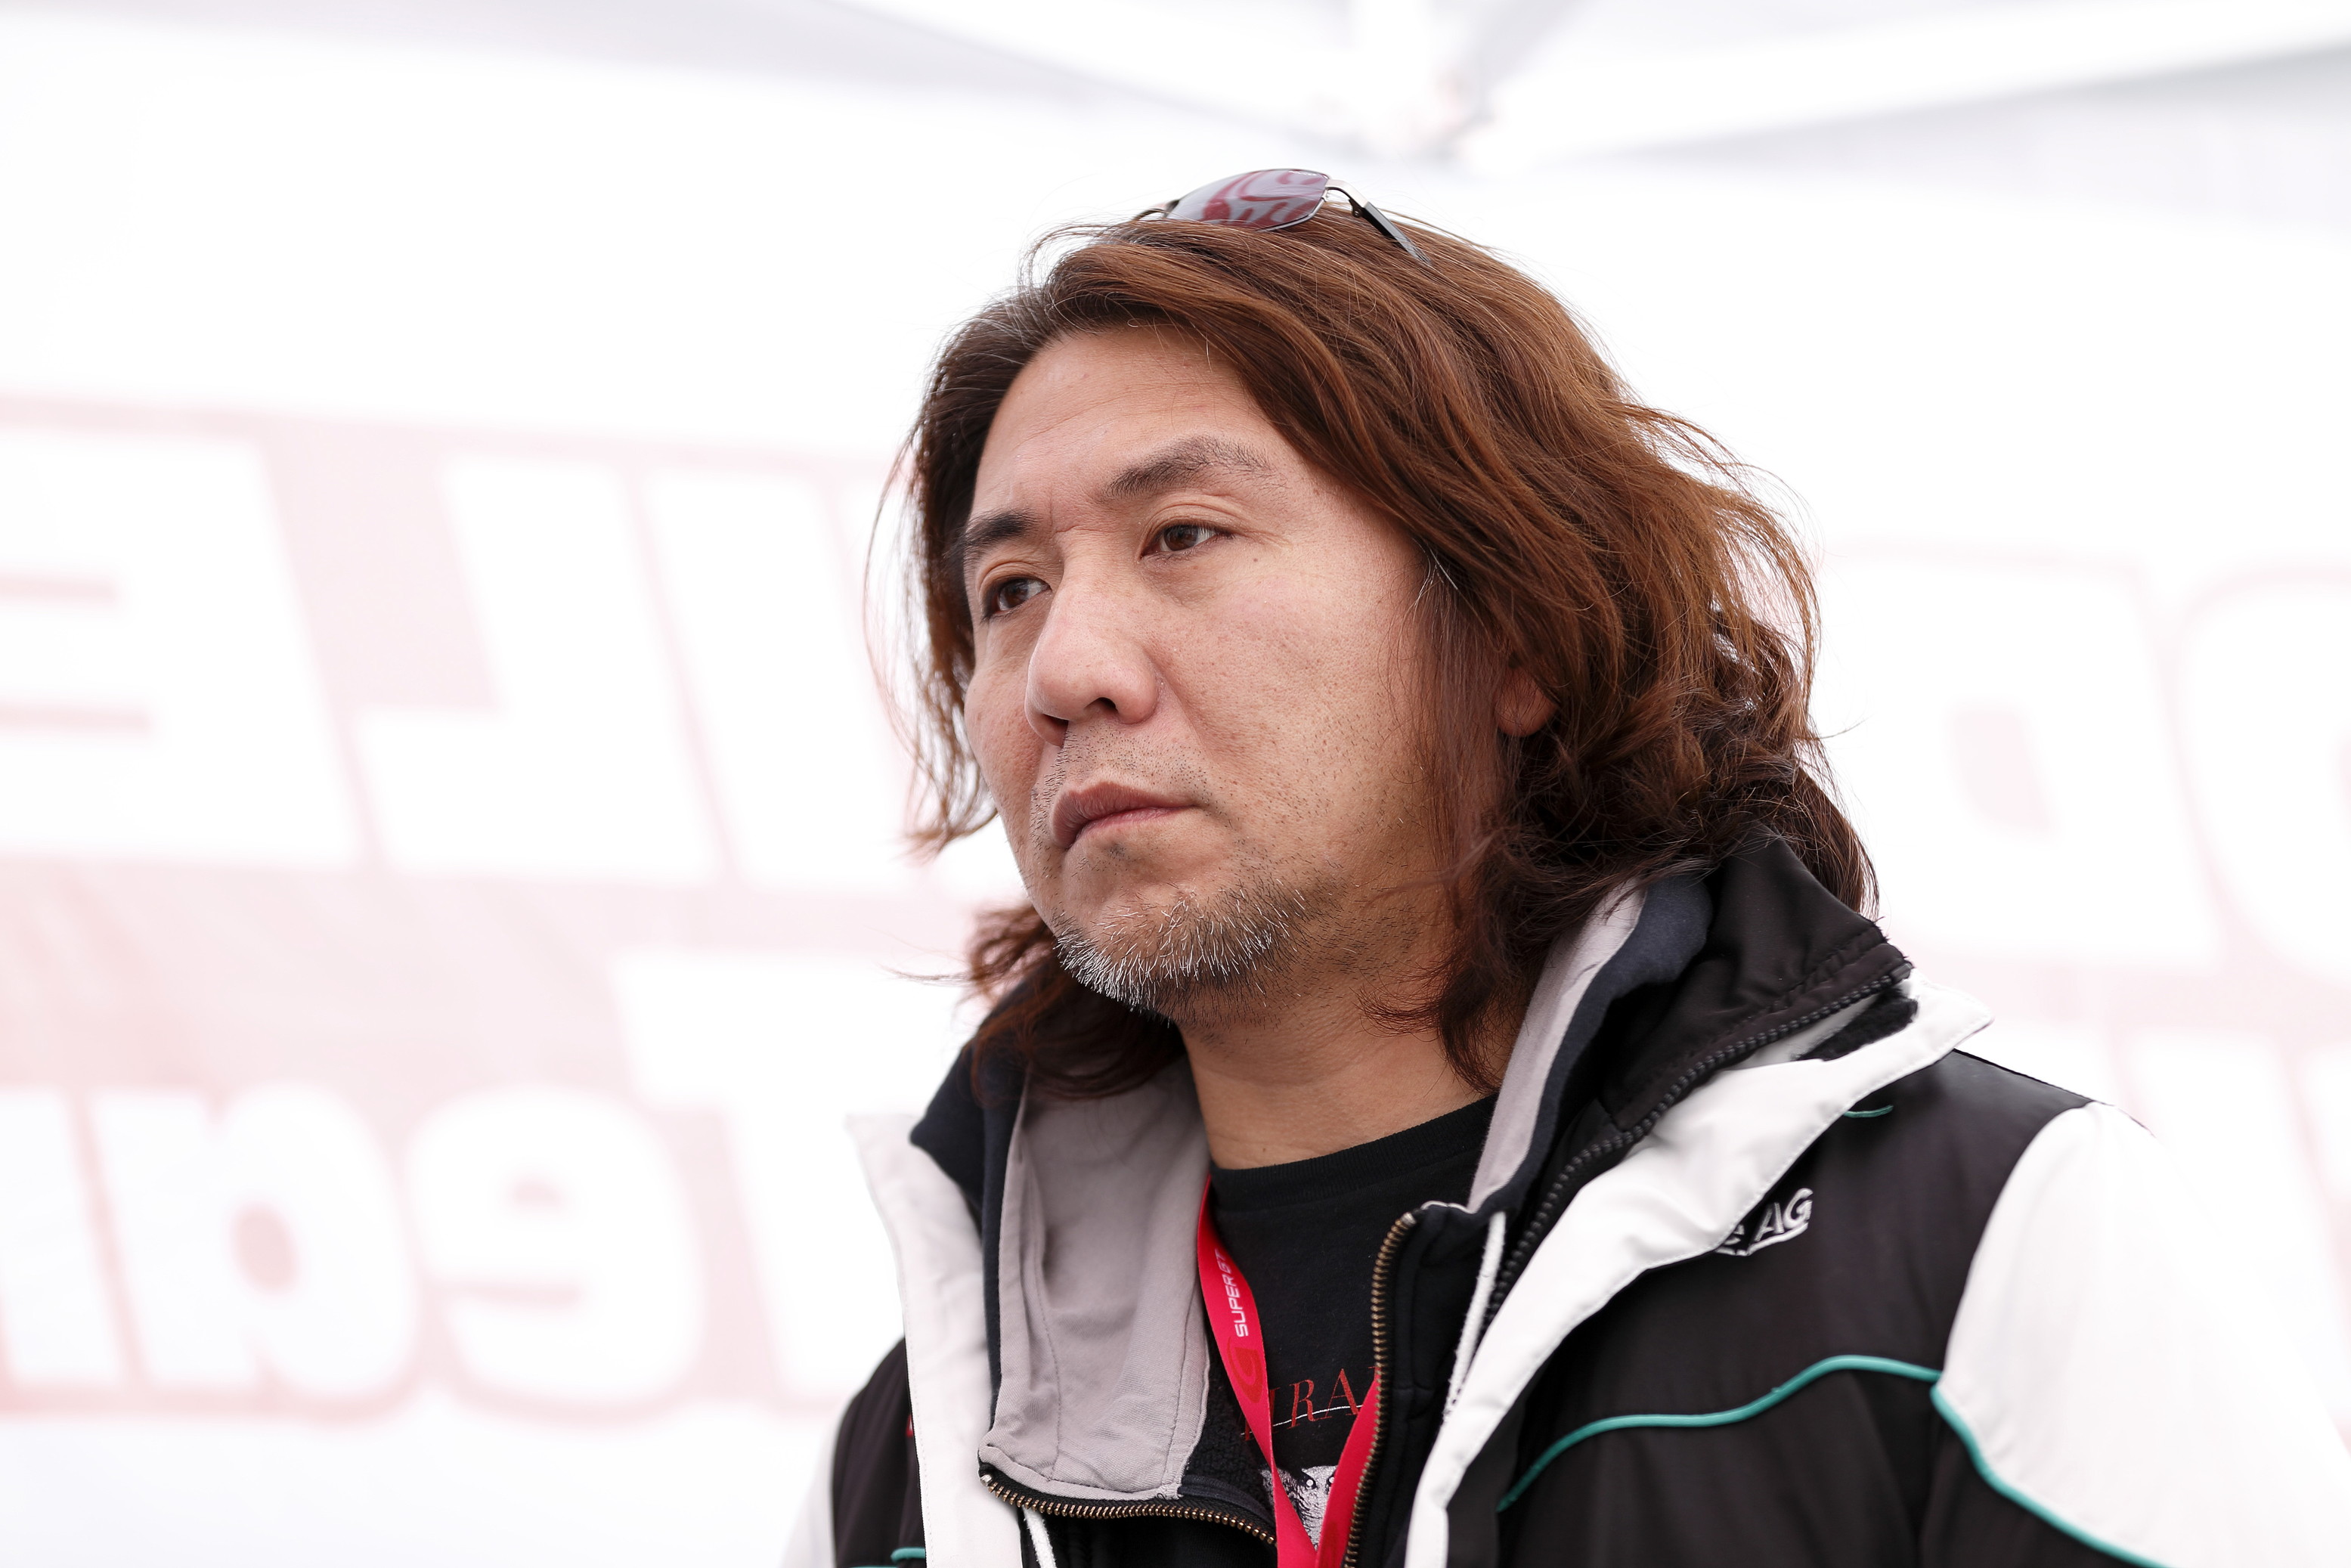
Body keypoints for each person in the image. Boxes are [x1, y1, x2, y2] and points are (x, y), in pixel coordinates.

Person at [785, 169, 2351, 1568]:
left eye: (1182, 535)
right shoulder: (918, 1453)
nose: (1065, 668)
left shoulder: (1980, 1244)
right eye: (1008, 588)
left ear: (1519, 633)